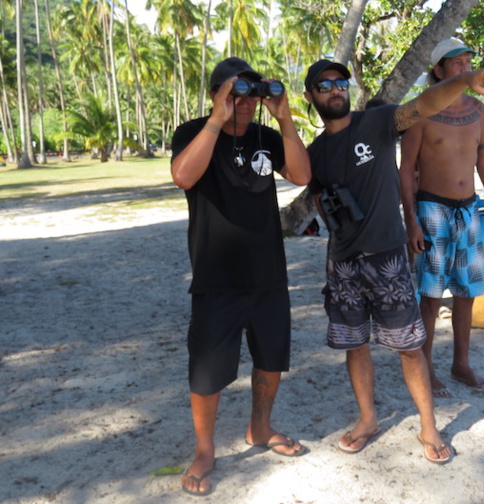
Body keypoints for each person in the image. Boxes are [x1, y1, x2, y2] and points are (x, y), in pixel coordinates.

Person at [303, 58, 484, 464]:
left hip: (388, 258)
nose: (335, 89)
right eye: (324, 86)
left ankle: (429, 427)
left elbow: (424, 104)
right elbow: (307, 188)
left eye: (341, 82)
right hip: (342, 261)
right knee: (354, 346)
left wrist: (464, 80)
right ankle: (368, 420)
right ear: (312, 97)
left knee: (409, 347)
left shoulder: (374, 123)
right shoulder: (315, 153)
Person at [171, 57, 311, 496]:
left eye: (252, 92)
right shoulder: (193, 132)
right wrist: (218, 118)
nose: (246, 102)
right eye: (236, 92)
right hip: (217, 276)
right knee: (208, 371)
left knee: (271, 359)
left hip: (268, 272)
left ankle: (260, 428)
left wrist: (284, 117)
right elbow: (182, 176)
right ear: (216, 94)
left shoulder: (266, 137)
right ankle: (206, 450)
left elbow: (303, 175)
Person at [399, 38, 484, 399]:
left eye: (467, 62)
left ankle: (460, 364)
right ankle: (426, 367)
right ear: (439, 71)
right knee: (430, 296)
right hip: (432, 208)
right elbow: (405, 171)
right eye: (457, 64)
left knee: (468, 291)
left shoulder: (477, 110)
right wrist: (411, 220)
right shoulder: (420, 112)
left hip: (469, 208)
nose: (466, 69)